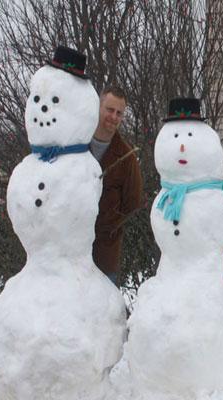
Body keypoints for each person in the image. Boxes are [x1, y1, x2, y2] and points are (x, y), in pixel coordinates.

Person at [90, 86, 144, 286]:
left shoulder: (126, 156)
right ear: (98, 107)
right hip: (69, 248)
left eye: (119, 113)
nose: (113, 117)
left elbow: (133, 202)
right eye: (109, 110)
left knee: (104, 311)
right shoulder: (77, 144)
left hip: (104, 251)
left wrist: (108, 223)